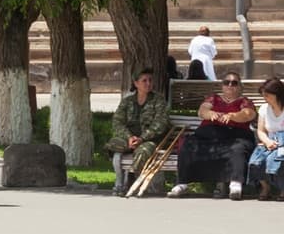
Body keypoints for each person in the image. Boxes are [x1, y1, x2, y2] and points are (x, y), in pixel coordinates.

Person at [170, 71, 257, 199]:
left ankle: (235, 183)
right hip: (209, 135)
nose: (230, 85)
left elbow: (248, 114)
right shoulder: (214, 98)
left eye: (234, 83)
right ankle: (182, 183)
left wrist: (233, 116)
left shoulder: (244, 101)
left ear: (240, 87)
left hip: (234, 135)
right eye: (227, 82)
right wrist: (210, 114)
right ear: (222, 85)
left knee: (237, 148)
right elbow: (202, 110)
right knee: (188, 144)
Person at [105, 67, 170, 195]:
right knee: (113, 144)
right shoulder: (127, 101)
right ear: (136, 84)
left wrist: (142, 138)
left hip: (148, 140)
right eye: (144, 80)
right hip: (129, 139)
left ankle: (132, 180)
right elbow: (117, 122)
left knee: (142, 152)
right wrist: (129, 138)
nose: (148, 83)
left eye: (150, 80)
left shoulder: (158, 100)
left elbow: (160, 124)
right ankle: (119, 182)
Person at [247, 77, 284, 200]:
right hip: (270, 140)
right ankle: (265, 187)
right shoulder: (264, 109)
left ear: (277, 94)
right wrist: (267, 141)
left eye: (267, 95)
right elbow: (261, 130)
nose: (265, 98)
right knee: (255, 161)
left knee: (276, 159)